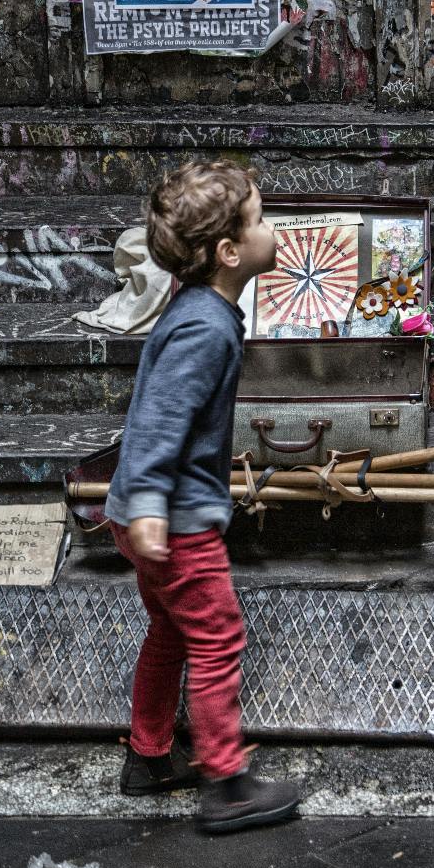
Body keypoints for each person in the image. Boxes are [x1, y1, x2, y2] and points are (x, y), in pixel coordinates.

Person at [105, 159, 303, 833]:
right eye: (260, 220)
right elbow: (160, 418)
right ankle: (227, 783)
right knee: (217, 636)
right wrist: (153, 503)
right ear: (228, 253)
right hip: (174, 522)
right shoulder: (204, 327)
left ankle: (150, 754)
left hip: (147, 514)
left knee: (169, 629)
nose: (271, 229)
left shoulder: (199, 308)